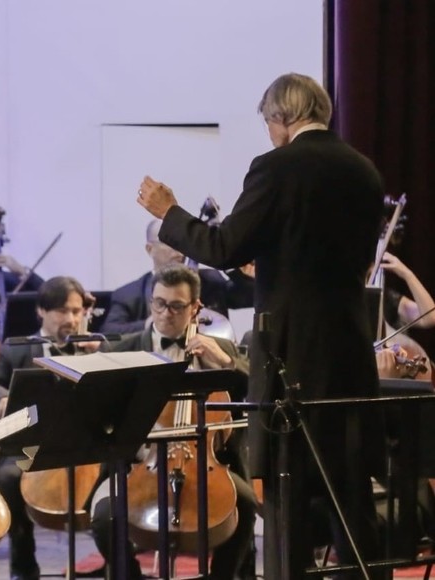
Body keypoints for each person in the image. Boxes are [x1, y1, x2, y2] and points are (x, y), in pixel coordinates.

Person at [137, 72, 385, 579]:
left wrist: (170, 212)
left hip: (292, 356)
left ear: (281, 118)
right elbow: (331, 257)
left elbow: (224, 246)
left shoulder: (277, 167)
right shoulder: (364, 171)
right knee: (349, 495)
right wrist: (273, 266)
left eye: (269, 123)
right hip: (349, 350)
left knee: (287, 496)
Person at [89, 264, 256, 580]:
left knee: (244, 504)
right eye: (159, 303)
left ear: (195, 308)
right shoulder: (121, 349)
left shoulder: (221, 349)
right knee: (104, 517)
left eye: (177, 306)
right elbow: (100, 413)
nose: (165, 313)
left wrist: (223, 362)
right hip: (137, 467)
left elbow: (256, 388)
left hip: (205, 467)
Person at [0, 275, 100, 580]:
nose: (71, 319)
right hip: (27, 446)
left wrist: (93, 356)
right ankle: (23, 564)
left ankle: (114, 560)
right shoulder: (18, 349)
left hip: (81, 448)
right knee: (6, 478)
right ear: (41, 311)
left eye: (76, 311)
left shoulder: (90, 347)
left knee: (119, 476)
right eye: (63, 311)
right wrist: (4, 398)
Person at [102, 219, 254, 335]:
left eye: (182, 243)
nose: (180, 251)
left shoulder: (210, 280)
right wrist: (156, 321)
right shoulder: (129, 294)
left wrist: (227, 257)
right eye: (170, 244)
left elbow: (253, 296)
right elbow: (109, 331)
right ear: (150, 249)